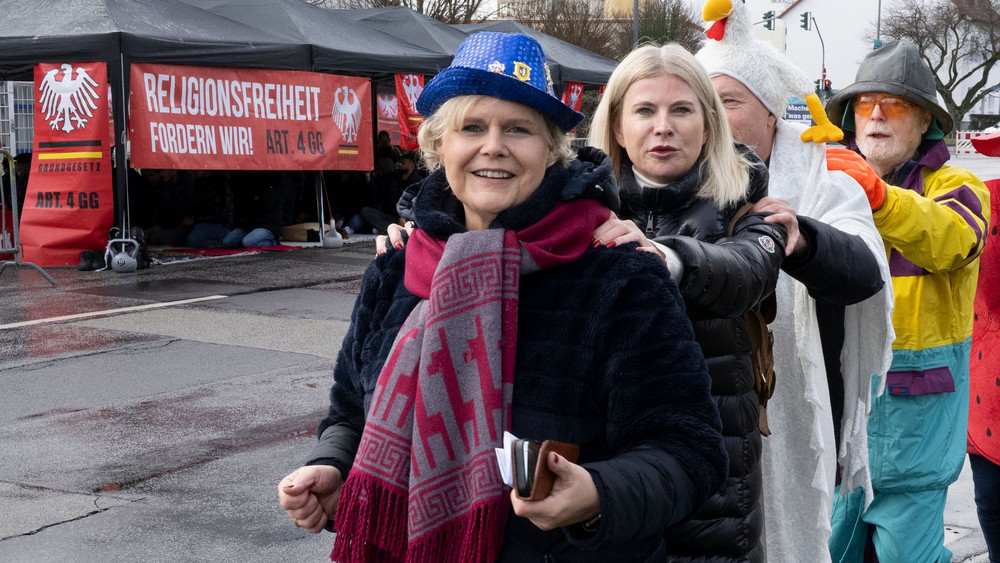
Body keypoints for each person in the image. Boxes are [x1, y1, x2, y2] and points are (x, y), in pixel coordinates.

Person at [278, 32, 729, 562]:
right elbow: (351, 410)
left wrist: (597, 495)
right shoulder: (396, 270)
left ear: (551, 150)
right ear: (440, 146)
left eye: (518, 129)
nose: (493, 146)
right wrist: (334, 464)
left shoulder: (620, 278)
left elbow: (689, 451)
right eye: (472, 127)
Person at [694, 3, 895, 560]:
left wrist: (802, 239)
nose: (711, 117)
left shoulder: (823, 179)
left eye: (728, 101)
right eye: (701, 103)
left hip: (793, 418)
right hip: (691, 424)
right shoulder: (662, 182)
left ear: (769, 115)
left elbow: (865, 273)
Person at [585, 44, 791, 562]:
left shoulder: (748, 202)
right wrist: (422, 236)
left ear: (708, 123)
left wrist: (667, 258)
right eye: (644, 110)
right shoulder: (576, 205)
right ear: (615, 126)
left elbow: (746, 272)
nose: (663, 126)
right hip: (604, 473)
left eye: (681, 110)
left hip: (715, 490)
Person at [824, 39, 990, 563]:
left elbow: (949, 237)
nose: (875, 115)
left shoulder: (958, 184)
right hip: (840, 430)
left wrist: (878, 196)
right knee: (827, 551)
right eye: (864, 104)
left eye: (893, 104)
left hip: (915, 435)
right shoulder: (828, 185)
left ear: (925, 122)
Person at [223, 171, 285, 248]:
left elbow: (265, 204)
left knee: (248, 242)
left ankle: (273, 242)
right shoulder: (250, 183)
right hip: (250, 223)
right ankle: (253, 240)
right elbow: (246, 202)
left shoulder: (274, 184)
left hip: (267, 224)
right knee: (228, 242)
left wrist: (254, 201)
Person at [185, 170, 234, 248]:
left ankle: (221, 242)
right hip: (202, 222)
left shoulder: (220, 186)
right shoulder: (199, 183)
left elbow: (219, 214)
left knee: (192, 240)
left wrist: (195, 219)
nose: (194, 171)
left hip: (219, 224)